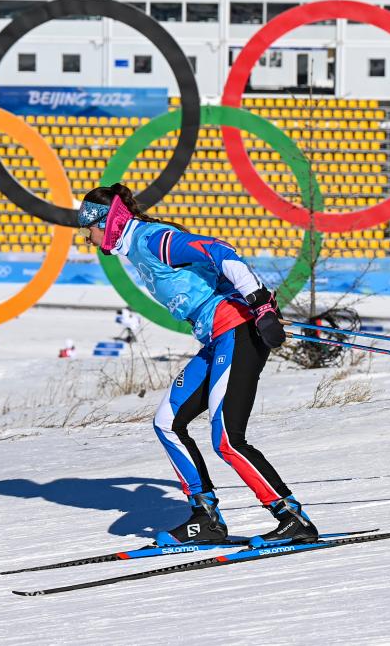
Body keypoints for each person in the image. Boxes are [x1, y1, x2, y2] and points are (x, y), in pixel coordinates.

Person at [76, 182, 316, 545]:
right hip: (217, 337)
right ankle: (205, 517)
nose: (89, 239)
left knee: (227, 440)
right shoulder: (137, 248)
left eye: (89, 230)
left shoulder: (152, 239)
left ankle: (291, 517)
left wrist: (262, 305)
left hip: (237, 329)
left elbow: (220, 251)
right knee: (167, 423)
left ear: (107, 222)